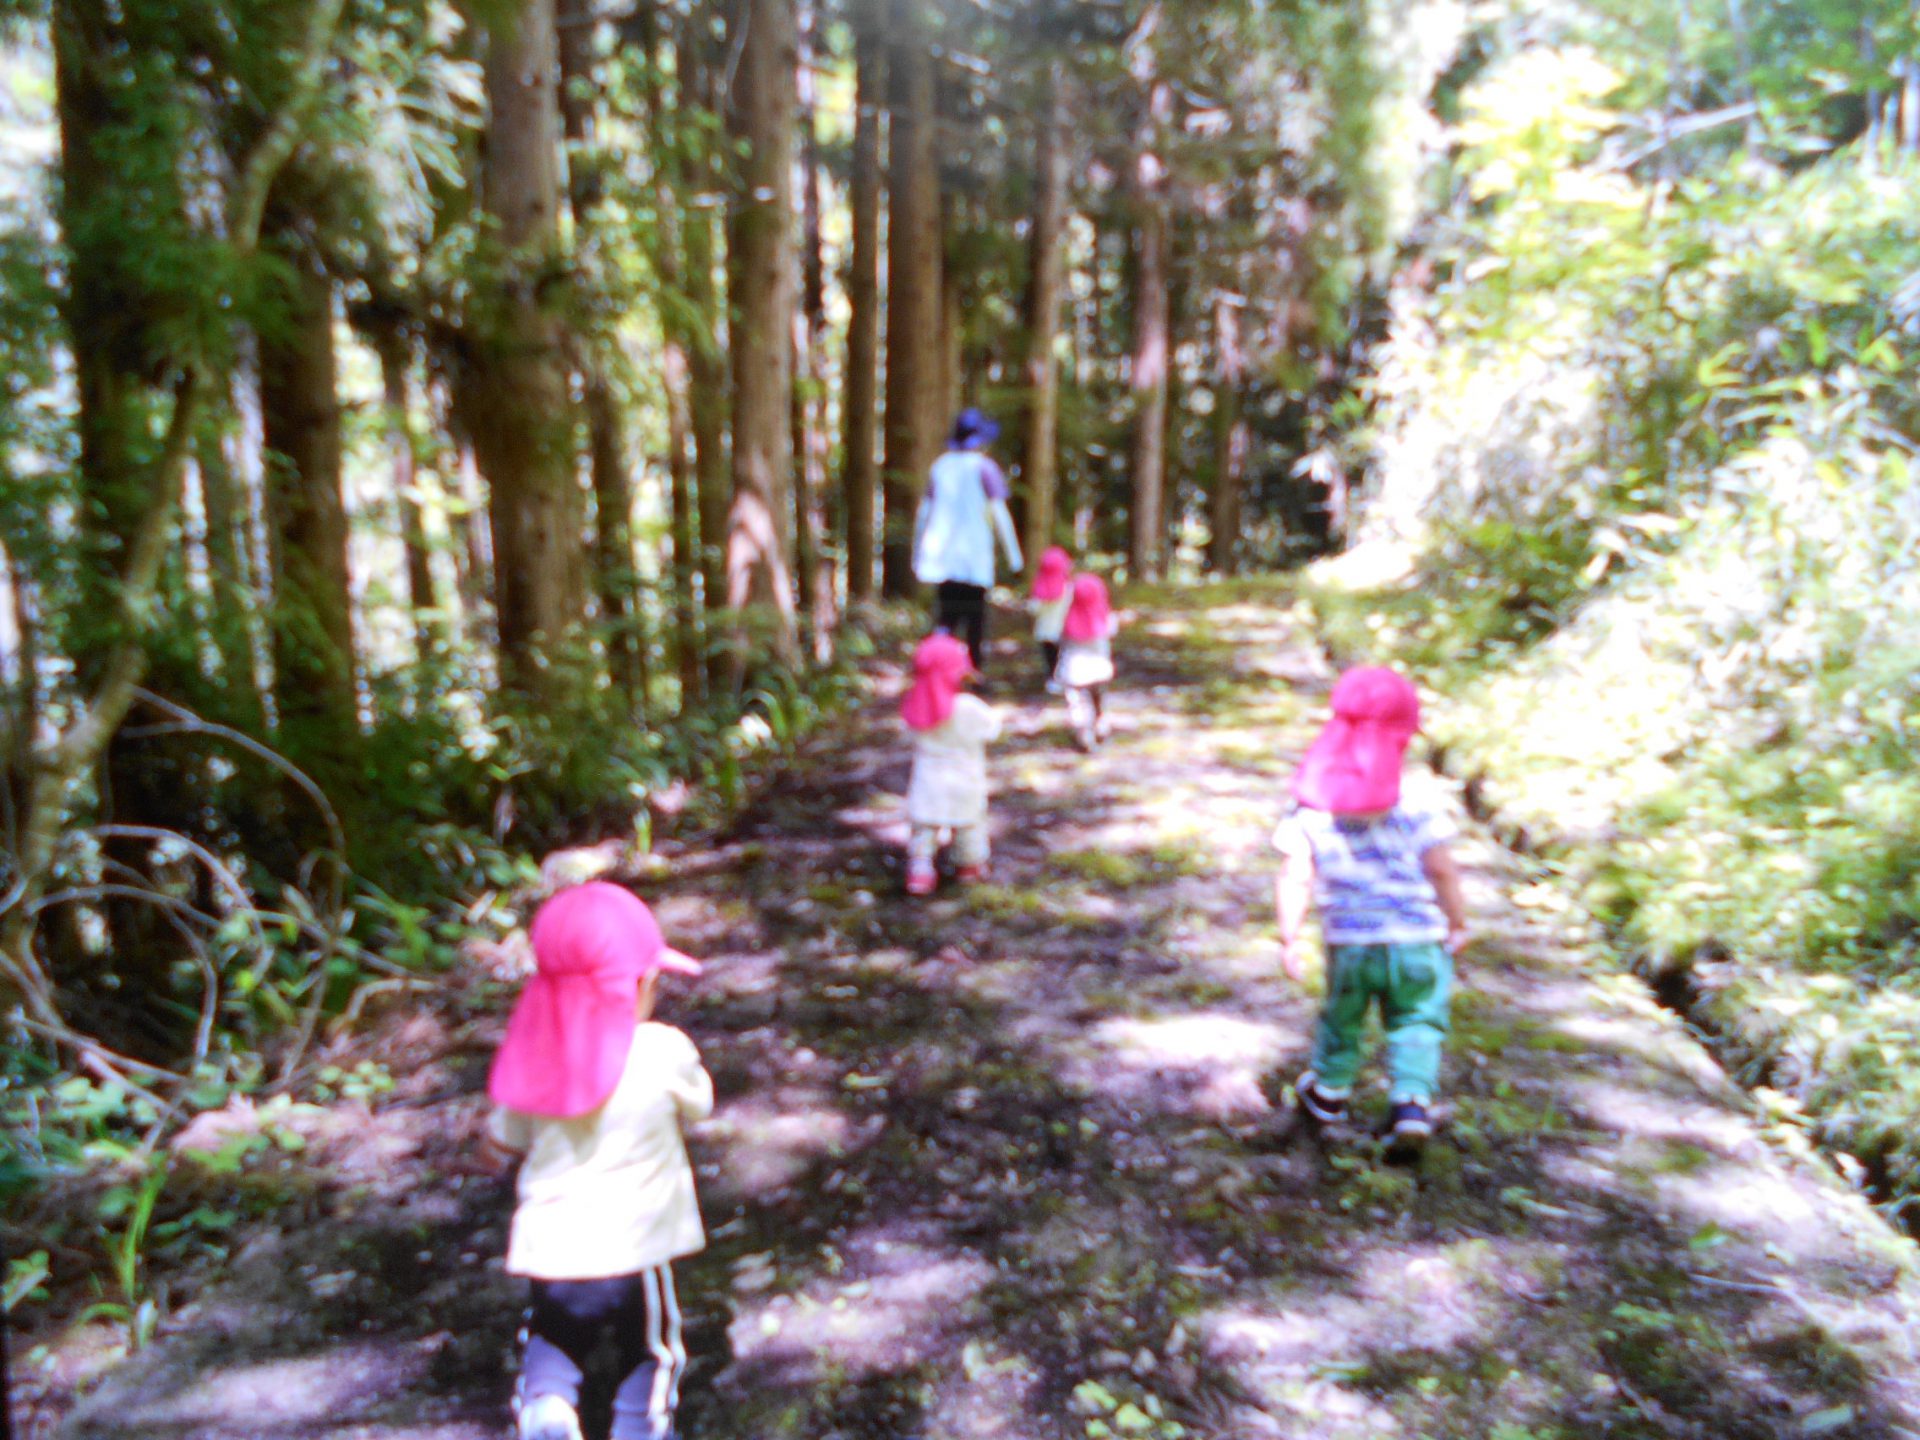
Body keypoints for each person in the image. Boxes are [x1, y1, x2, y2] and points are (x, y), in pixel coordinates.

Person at [486, 882, 713, 1440]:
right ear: (640, 984)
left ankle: (547, 1411)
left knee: (552, 1337)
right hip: (637, 1251)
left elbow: (502, 1140)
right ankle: (638, 1429)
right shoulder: (664, 1051)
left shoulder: (533, 1057)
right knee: (652, 1350)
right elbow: (700, 1106)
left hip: (553, 1252)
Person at [1271, 667, 1469, 1154]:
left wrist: (1290, 937)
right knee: (1417, 1021)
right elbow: (1441, 869)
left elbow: (1296, 876)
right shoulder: (1417, 799)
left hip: (1350, 942)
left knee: (1342, 1019)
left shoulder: (1313, 803)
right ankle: (1410, 1106)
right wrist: (1457, 921)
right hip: (1417, 940)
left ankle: (1328, 1095)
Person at [912, 408, 1024, 669]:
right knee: (975, 620)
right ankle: (974, 673)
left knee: (946, 618)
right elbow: (1000, 515)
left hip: (944, 559)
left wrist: (918, 552)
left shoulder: (940, 467)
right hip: (975, 559)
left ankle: (938, 672)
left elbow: (924, 512)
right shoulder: (985, 468)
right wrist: (1014, 556)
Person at [900, 632, 1002, 895]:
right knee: (969, 825)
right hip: (966, 780)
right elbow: (992, 729)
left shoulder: (916, 707)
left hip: (928, 782)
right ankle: (969, 866)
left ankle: (920, 871)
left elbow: (907, 733)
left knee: (924, 828)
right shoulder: (968, 706)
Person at [1055, 572, 1117, 750]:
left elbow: (1058, 635)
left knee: (1076, 701)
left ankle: (1084, 733)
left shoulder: (1066, 616)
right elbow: (1111, 631)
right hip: (1098, 667)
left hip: (1074, 670)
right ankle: (1101, 724)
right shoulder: (1103, 615)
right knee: (1098, 696)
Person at [1030, 546, 1074, 689]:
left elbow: (1034, 609)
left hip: (1045, 632)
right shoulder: (1068, 587)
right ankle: (1064, 678)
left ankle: (1052, 679)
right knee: (1063, 656)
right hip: (1063, 630)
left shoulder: (1040, 588)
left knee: (1049, 657)